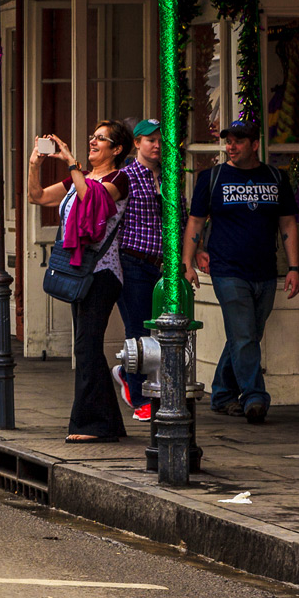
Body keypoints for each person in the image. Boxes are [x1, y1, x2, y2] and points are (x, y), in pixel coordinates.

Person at [185, 121, 299, 425]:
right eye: (228, 142)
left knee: (246, 335)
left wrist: (294, 268)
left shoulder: (276, 177)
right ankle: (254, 397)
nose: (231, 147)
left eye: (238, 141)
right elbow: (196, 222)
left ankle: (223, 393)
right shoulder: (213, 178)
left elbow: (287, 223)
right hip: (227, 270)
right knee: (245, 335)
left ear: (254, 143)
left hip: (265, 270)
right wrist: (188, 261)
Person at [27, 121, 134, 443]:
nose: (94, 142)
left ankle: (92, 425)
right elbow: (37, 197)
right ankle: (109, 424)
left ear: (116, 150)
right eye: (93, 137)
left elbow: (92, 201)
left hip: (102, 274)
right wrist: (35, 165)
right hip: (80, 271)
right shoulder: (79, 180)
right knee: (87, 348)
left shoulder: (118, 179)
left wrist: (72, 162)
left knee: (87, 347)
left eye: (101, 139)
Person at [111, 118, 164, 421]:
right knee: (138, 331)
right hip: (132, 261)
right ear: (137, 143)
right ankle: (140, 397)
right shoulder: (126, 176)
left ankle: (127, 374)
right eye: (150, 140)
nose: (156, 145)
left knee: (165, 333)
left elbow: (179, 217)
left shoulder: (170, 176)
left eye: (160, 140)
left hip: (163, 266)